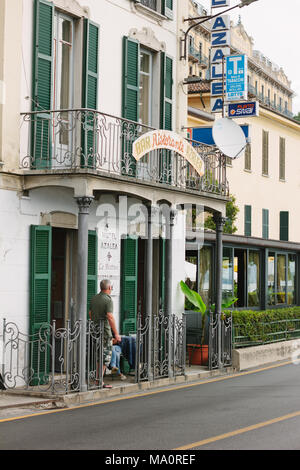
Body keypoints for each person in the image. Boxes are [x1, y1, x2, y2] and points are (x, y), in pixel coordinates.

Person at [89, 279, 121, 388]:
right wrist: (116, 333)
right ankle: (100, 381)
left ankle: (98, 380)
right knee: (105, 357)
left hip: (95, 330)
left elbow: (90, 313)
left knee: (98, 357)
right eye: (111, 287)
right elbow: (110, 317)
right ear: (109, 288)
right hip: (105, 332)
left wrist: (95, 322)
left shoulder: (94, 298)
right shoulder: (108, 300)